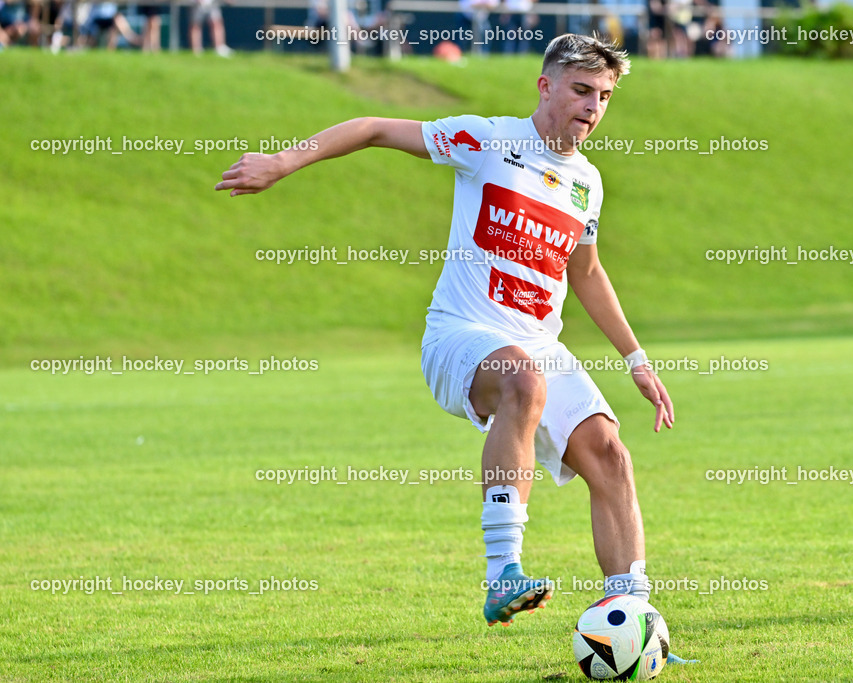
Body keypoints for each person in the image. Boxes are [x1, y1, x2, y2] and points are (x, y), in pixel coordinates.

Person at [215, 34, 684, 663]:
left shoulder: (587, 184)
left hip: (537, 343)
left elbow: (588, 272)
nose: (593, 107)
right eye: (581, 90)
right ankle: (503, 574)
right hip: (461, 336)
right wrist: (281, 161)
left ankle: (635, 615)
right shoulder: (487, 140)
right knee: (523, 380)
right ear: (545, 87)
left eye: (604, 97)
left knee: (610, 455)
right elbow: (375, 127)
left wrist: (638, 362)